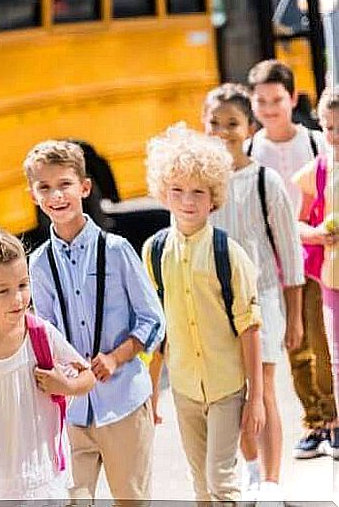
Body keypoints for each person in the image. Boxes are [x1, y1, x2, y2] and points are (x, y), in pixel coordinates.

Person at [24, 140, 165, 501]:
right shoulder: (39, 264)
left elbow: (152, 320)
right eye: (45, 187)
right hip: (72, 413)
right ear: (33, 195)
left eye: (64, 185)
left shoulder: (116, 251)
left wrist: (116, 357)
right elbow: (46, 334)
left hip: (124, 404)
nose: (56, 195)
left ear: (84, 188)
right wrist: (63, 376)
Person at [142, 124, 265, 502]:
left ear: (213, 196)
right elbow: (156, 330)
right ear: (164, 193)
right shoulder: (154, 251)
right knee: (199, 483)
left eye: (198, 192)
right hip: (184, 390)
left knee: (220, 480)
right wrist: (152, 391)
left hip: (227, 388)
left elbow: (250, 328)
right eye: (177, 190)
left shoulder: (229, 254)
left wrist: (255, 397)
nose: (187, 201)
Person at [204, 83, 306, 499]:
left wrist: (295, 316)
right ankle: (248, 471)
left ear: (249, 128)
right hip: (216, 303)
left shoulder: (265, 181)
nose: (223, 131)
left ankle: (271, 481)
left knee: (261, 391)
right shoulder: (202, 185)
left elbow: (290, 254)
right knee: (234, 395)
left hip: (262, 300)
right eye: (215, 122)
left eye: (232, 123)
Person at [0, 225, 96, 500]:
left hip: (40, 481)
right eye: (3, 291)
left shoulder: (42, 336)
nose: (18, 299)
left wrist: (66, 385)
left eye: (23, 285)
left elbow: (87, 377)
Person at [248, 59, 336, 473]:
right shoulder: (251, 150)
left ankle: (332, 417)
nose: (269, 109)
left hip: (313, 256)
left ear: (292, 99)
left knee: (319, 340)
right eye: (261, 101)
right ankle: (315, 421)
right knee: (293, 344)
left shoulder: (317, 143)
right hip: (270, 260)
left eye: (277, 100)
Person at [292, 86, 339, 460]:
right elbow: (298, 224)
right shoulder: (318, 170)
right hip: (331, 277)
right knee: (333, 353)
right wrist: (320, 234)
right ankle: (335, 423)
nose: (335, 136)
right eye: (329, 128)